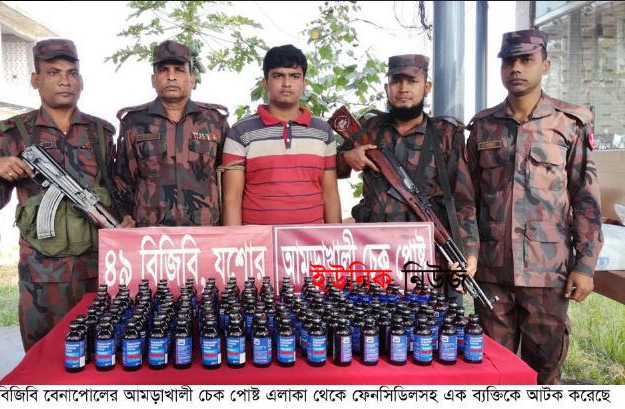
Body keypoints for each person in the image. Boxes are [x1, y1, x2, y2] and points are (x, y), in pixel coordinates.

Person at [466, 29, 603, 384]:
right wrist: (469, 253)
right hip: (492, 273)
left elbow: (585, 199)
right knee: (493, 371)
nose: (516, 68)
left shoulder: (570, 123)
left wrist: (585, 265)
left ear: (545, 65)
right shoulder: (483, 126)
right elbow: (467, 201)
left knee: (545, 371)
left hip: (547, 272)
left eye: (526, 60)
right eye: (509, 61)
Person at [0, 39, 118, 351]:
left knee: (101, 355)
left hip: (98, 272)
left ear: (81, 81)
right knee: (43, 357)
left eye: (72, 73)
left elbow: (119, 192)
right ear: (35, 79)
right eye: (53, 72)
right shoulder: (14, 133)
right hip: (41, 278)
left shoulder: (100, 133)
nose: (65, 81)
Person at [337, 54, 479, 283]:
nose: (403, 89)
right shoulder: (369, 129)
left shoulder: (445, 134)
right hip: (374, 252)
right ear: (386, 88)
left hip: (426, 255)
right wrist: (347, 158)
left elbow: (463, 201)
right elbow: (328, 169)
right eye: (396, 81)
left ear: (427, 87)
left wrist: (469, 252)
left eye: (412, 81)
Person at [221, 44, 341, 225]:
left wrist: (334, 238)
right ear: (265, 83)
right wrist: (237, 242)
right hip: (259, 240)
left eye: (294, 76)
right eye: (278, 76)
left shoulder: (323, 132)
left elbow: (330, 194)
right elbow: (232, 198)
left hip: (310, 239)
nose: (286, 83)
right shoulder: (240, 132)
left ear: (304, 84)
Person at [114, 40, 229, 227]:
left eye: (179, 70)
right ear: (153, 80)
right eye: (163, 70)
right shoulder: (134, 122)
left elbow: (228, 180)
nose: (171, 77)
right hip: (150, 234)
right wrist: (125, 217)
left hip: (205, 233)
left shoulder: (214, 121)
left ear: (192, 79)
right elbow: (122, 181)